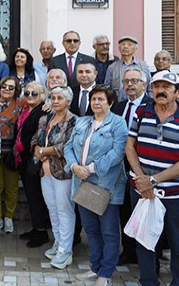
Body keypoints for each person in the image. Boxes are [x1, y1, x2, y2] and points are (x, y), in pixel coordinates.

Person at [126, 70, 179, 286]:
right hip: (141, 190)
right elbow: (130, 146)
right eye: (157, 86)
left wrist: (153, 180)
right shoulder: (142, 111)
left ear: (177, 92)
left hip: (175, 194)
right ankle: (148, 281)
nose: (161, 91)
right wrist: (142, 180)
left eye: (167, 87)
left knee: (178, 242)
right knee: (145, 240)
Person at [65, 85, 128, 286]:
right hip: (82, 183)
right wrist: (74, 166)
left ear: (110, 102)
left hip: (105, 185)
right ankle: (95, 267)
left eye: (101, 99)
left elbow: (118, 153)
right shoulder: (83, 121)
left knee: (108, 231)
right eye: (93, 99)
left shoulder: (118, 123)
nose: (96, 103)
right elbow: (68, 146)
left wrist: (91, 168)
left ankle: (106, 273)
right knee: (90, 229)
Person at [32, 86, 78, 269]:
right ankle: (58, 243)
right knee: (52, 208)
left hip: (63, 173)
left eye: (60, 98)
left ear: (68, 101)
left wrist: (43, 151)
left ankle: (66, 251)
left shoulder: (74, 120)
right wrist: (37, 150)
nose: (56, 101)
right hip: (45, 171)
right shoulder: (45, 118)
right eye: (53, 97)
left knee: (64, 209)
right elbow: (36, 138)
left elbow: (65, 145)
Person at [111, 67, 151, 265]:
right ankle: (128, 250)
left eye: (134, 81)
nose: (130, 85)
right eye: (126, 81)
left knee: (144, 211)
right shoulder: (118, 107)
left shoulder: (152, 106)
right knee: (125, 208)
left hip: (144, 166)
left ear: (144, 84)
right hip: (120, 166)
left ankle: (147, 252)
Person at [0, 76, 24, 236]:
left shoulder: (21, 104)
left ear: (16, 91)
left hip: (12, 153)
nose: (7, 90)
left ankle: (9, 217)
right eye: (4, 87)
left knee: (12, 187)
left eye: (11, 87)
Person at [15, 81, 51, 248]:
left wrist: (23, 144)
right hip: (23, 158)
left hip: (34, 158)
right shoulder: (25, 109)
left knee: (36, 196)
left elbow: (40, 133)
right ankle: (36, 228)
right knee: (31, 195)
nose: (30, 96)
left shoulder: (43, 111)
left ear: (42, 95)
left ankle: (42, 232)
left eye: (34, 93)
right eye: (27, 93)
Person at [104, 35, 152, 102]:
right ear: (119, 48)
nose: (125, 47)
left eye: (129, 45)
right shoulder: (112, 67)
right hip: (119, 105)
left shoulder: (144, 66)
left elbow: (150, 88)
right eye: (123, 44)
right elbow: (106, 89)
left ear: (135, 49)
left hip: (142, 105)